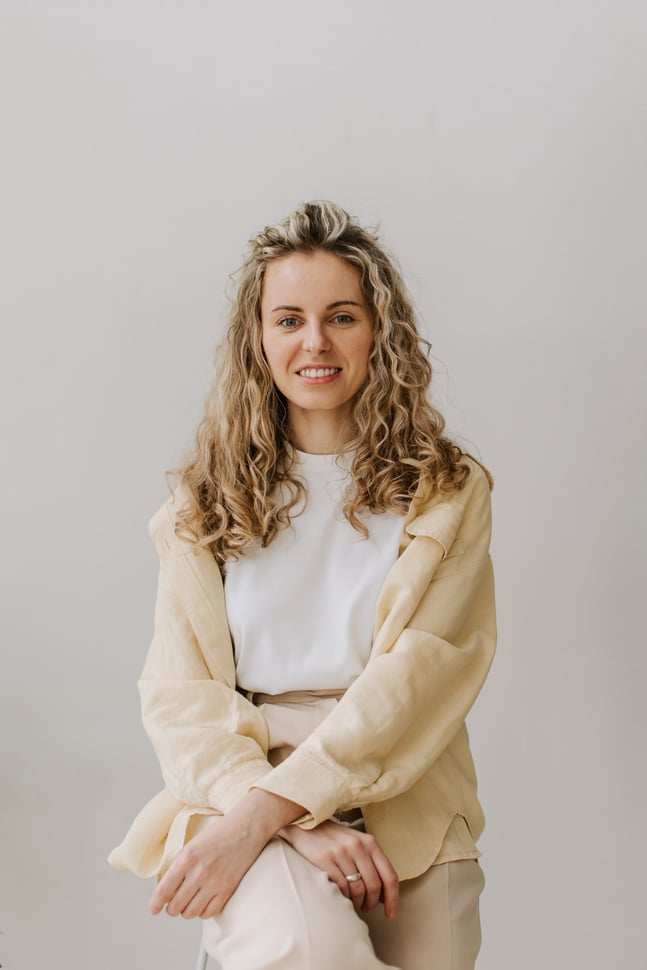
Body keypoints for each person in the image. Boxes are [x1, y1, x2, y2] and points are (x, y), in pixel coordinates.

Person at [109, 201, 496, 970]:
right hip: (247, 786)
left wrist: (272, 813)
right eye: (288, 319)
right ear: (257, 340)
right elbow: (180, 698)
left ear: (377, 331)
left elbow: (420, 680)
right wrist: (276, 817)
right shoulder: (201, 503)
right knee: (304, 950)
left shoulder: (447, 491)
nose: (314, 342)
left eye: (341, 316)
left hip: (409, 793)